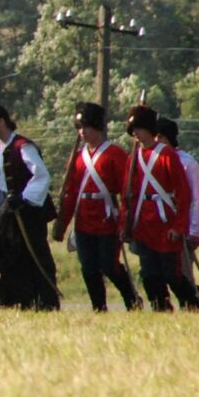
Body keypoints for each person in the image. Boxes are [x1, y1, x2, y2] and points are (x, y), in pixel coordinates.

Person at [50, 102, 139, 312]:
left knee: (109, 266)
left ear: (97, 127)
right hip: (84, 220)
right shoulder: (77, 158)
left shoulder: (115, 154)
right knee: (88, 268)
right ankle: (99, 307)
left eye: (86, 127)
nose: (82, 132)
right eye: (79, 128)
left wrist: (125, 222)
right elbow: (70, 193)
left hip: (107, 219)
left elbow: (126, 191)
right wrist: (62, 224)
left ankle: (132, 300)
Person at [122, 105, 199, 311]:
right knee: (149, 274)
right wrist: (125, 223)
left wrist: (179, 226)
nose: (135, 134)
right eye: (133, 130)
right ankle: (160, 308)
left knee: (171, 274)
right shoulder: (133, 158)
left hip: (165, 222)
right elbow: (127, 196)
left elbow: (183, 194)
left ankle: (192, 304)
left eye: (138, 128)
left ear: (149, 129)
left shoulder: (166, 154)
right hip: (143, 223)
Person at [0, 104, 56, 310]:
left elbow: (41, 175)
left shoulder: (23, 146)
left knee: (35, 254)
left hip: (30, 212)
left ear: (1, 121)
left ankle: (46, 301)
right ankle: (17, 301)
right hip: (12, 210)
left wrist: (24, 198)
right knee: (12, 256)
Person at [155, 116, 199, 307]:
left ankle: (191, 304)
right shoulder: (151, 161)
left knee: (182, 272)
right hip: (159, 226)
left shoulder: (187, 163)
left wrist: (195, 231)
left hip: (183, 228)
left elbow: (198, 199)